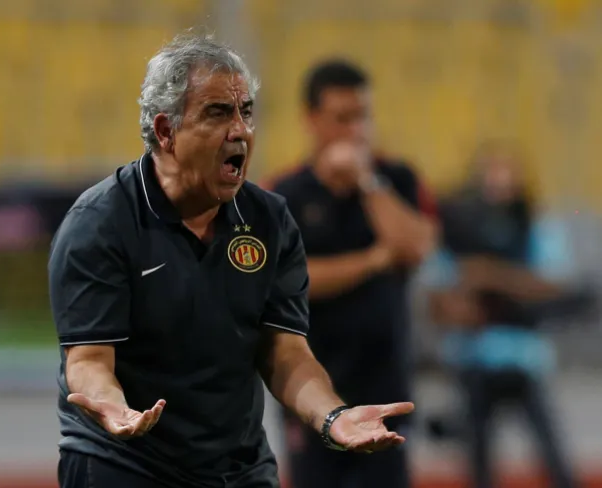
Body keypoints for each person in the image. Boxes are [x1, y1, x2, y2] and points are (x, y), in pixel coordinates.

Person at [48, 34, 414, 488]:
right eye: (218, 113)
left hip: (235, 468)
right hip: (124, 462)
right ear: (166, 132)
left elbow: (285, 353)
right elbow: (88, 359)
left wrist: (331, 416)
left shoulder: (269, 218)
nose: (240, 130)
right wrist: (110, 404)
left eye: (246, 112)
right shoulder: (100, 223)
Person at [267, 60, 438, 488]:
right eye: (342, 118)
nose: (355, 130)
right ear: (312, 120)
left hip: (385, 386)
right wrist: (375, 261)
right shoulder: (285, 194)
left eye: (362, 116)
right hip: (312, 393)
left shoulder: (395, 178)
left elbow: (416, 247)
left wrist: (366, 180)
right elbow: (290, 280)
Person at [424, 141, 589, 488]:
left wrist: (490, 276)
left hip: (524, 357)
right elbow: (442, 301)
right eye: (492, 172)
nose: (499, 182)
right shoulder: (458, 227)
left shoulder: (533, 223)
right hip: (474, 359)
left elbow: (551, 285)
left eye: (506, 172)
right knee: (478, 461)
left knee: (554, 457)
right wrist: (496, 294)